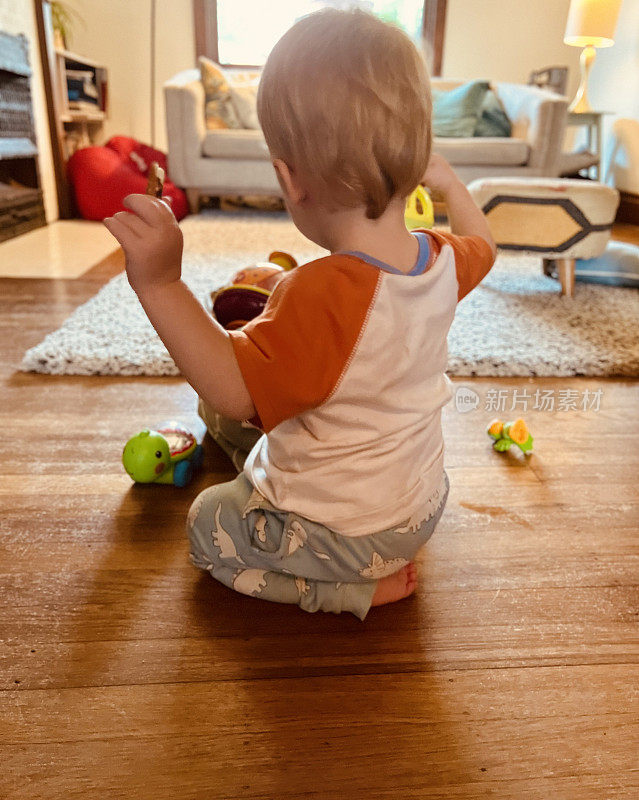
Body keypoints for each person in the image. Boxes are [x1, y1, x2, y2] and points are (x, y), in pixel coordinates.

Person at [103, 8, 496, 621]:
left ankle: (344, 592)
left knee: (207, 527)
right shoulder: (441, 260)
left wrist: (160, 282)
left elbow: (234, 392)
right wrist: (450, 188)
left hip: (350, 536)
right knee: (220, 418)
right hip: (419, 506)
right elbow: (487, 247)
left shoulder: (321, 294)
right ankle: (344, 548)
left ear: (290, 179)